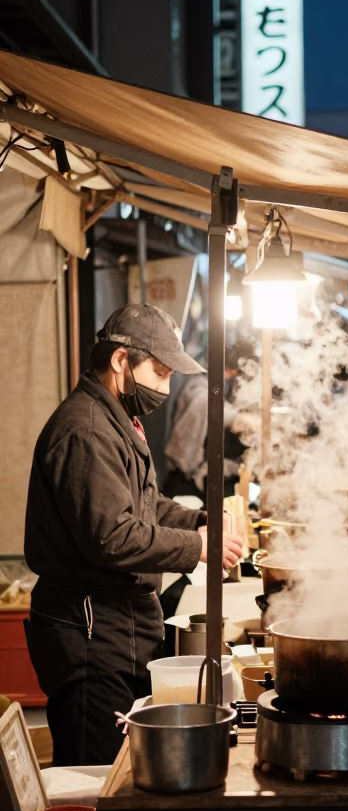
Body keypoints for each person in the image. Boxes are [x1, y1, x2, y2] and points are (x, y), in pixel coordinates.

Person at [24, 304, 244, 766]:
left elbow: (147, 507)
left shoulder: (114, 420)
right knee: (97, 771)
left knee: (126, 766)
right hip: (90, 637)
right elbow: (112, 536)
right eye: (160, 373)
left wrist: (202, 523)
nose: (165, 388)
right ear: (122, 361)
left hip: (117, 628)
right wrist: (198, 548)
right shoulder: (85, 430)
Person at [164, 339, 254, 501]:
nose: (233, 376)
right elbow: (210, 406)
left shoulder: (214, 384)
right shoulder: (198, 387)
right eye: (232, 372)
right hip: (184, 482)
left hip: (193, 479)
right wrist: (240, 419)